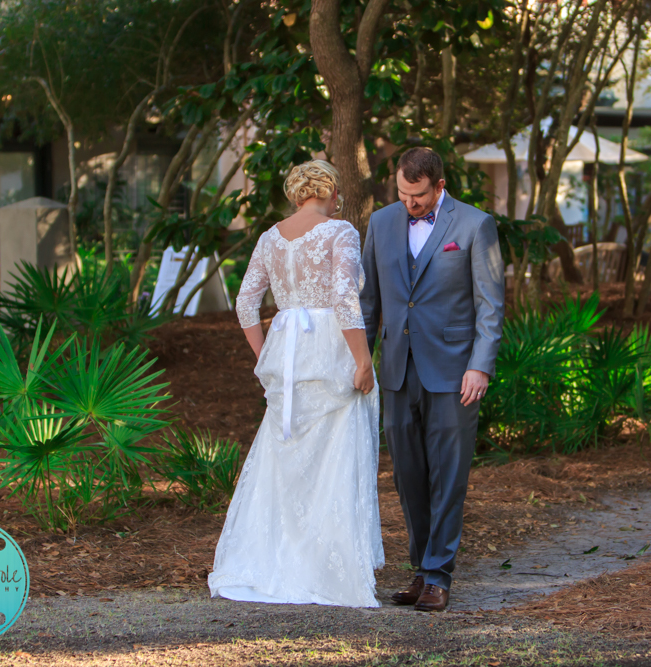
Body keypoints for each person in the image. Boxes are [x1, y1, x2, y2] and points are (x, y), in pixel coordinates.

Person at [208, 160, 384, 608]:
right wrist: (363, 360)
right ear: (331, 192)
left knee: (285, 457)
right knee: (335, 453)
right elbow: (345, 296)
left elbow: (246, 303)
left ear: (296, 192)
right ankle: (326, 568)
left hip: (287, 348)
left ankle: (274, 562)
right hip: (329, 345)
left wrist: (265, 356)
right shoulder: (340, 231)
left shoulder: (270, 237)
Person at [360, 147, 505, 612]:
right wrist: (360, 362)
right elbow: (368, 304)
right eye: (402, 193)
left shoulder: (474, 225)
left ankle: (440, 574)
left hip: (454, 372)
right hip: (397, 369)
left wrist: (480, 365)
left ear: (439, 186)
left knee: (448, 474)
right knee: (408, 476)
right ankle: (420, 570)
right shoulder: (381, 223)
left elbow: (490, 303)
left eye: (418, 195)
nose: (409, 203)